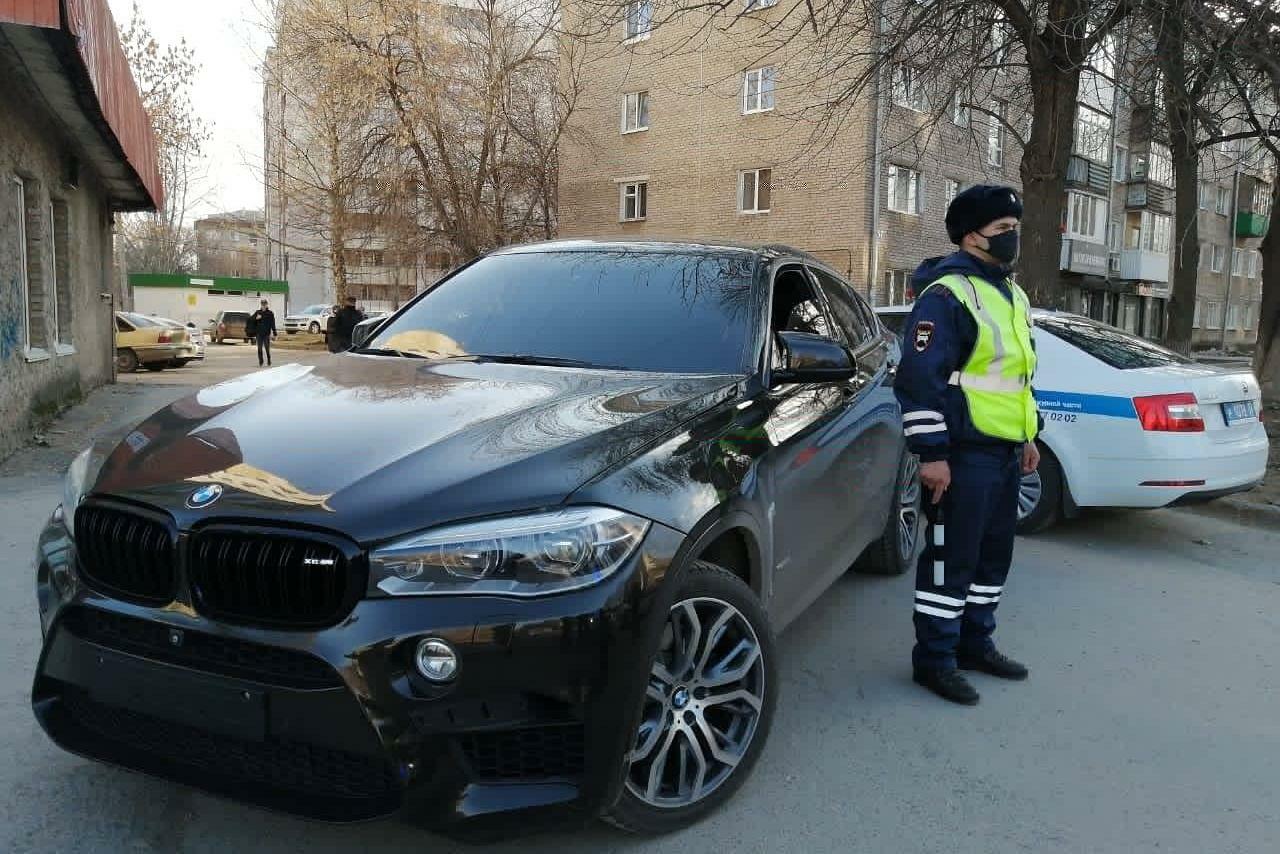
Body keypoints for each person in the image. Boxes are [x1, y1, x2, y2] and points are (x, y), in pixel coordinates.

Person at [894, 184, 1043, 706]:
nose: (1012, 237)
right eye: (1002, 229)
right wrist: (932, 455)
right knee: (949, 560)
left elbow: (1016, 377)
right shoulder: (947, 295)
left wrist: (1029, 435)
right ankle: (934, 660)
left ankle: (975, 644)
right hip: (962, 454)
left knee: (990, 558)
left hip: (1004, 453)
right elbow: (919, 381)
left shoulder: (1012, 294)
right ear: (971, 235)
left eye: (1014, 228)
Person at [250, 298, 277, 367]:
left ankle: (268, 359)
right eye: (262, 304)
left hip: (266, 334)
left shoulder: (270, 313)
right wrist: (256, 318)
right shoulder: (258, 312)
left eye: (265, 304)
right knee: (259, 348)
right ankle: (261, 361)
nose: (263, 306)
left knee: (267, 348)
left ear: (267, 305)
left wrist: (274, 333)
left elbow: (272, 323)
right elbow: (251, 320)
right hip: (259, 334)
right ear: (261, 305)